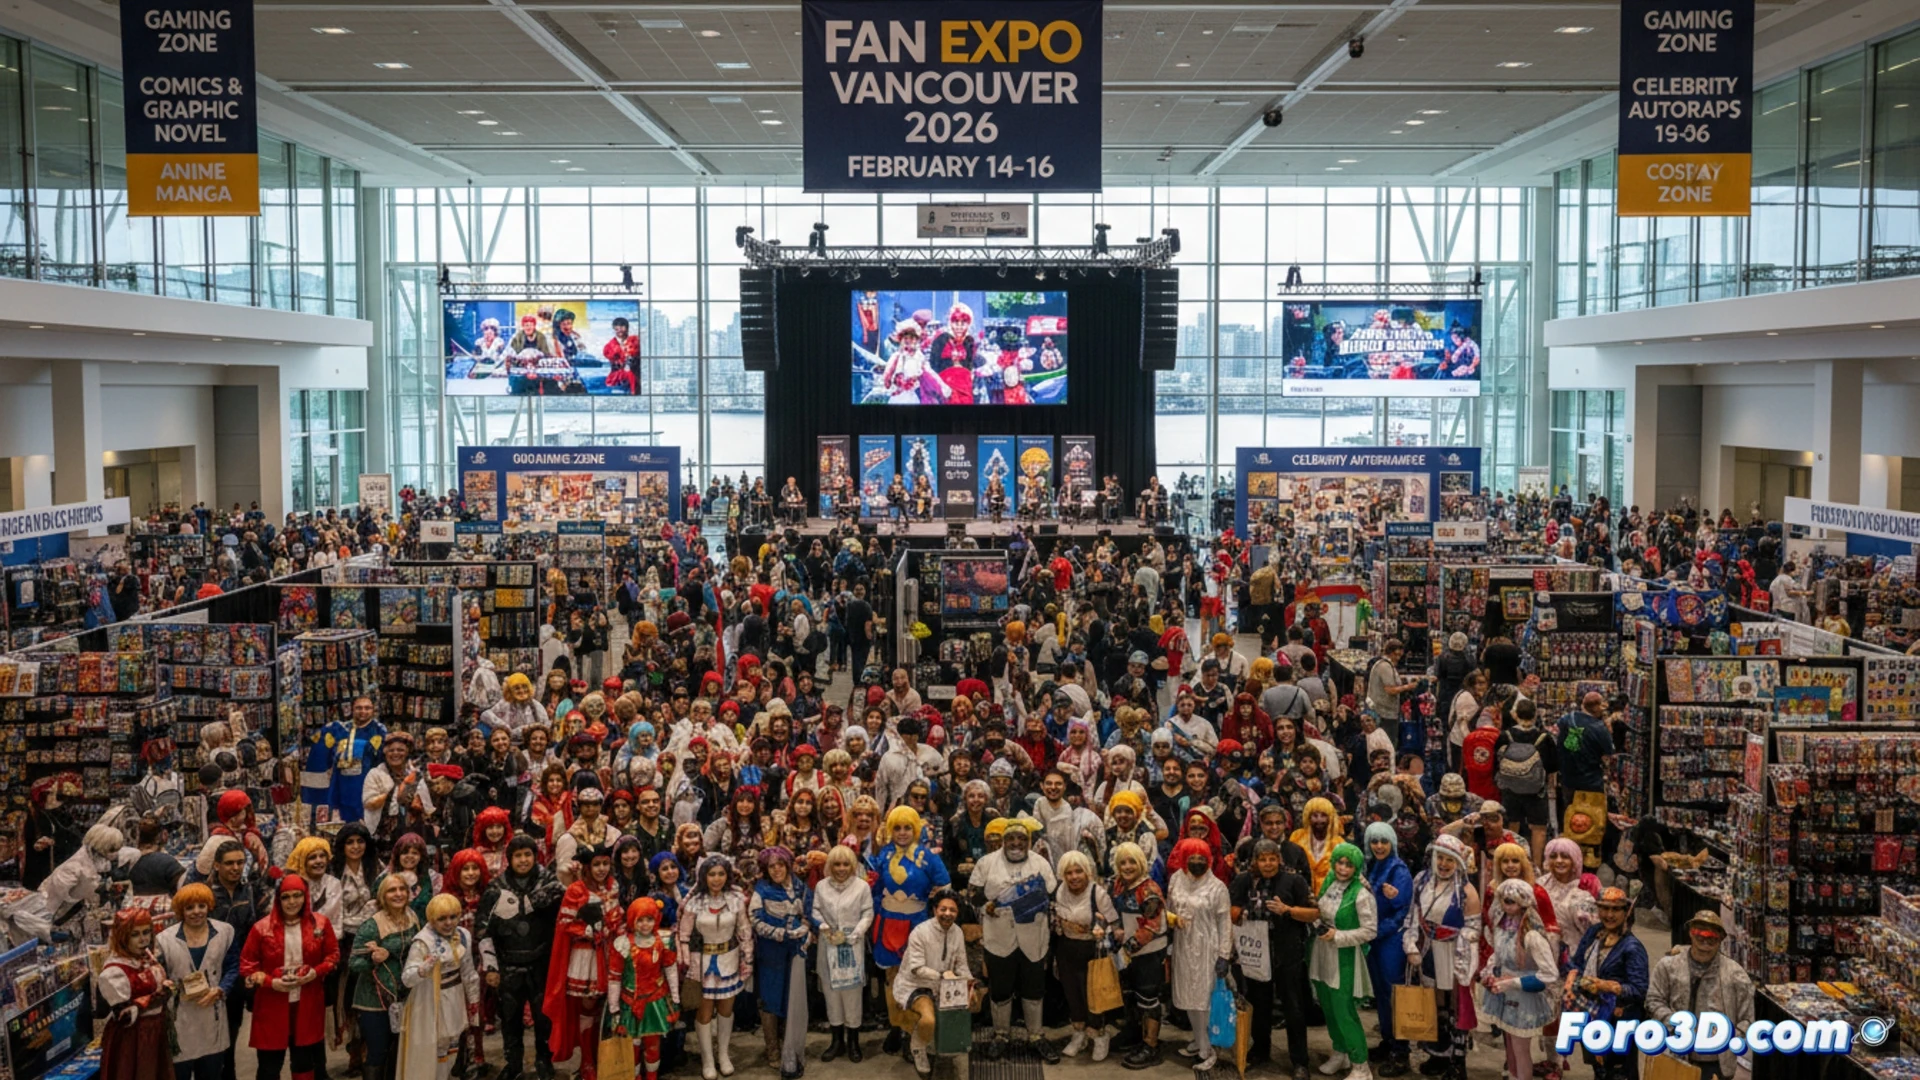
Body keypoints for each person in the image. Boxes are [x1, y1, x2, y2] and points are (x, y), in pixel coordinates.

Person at [971, 818, 1058, 1062]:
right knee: (1000, 989)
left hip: (1034, 936)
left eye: (1021, 839)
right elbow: (973, 893)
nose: (1016, 843)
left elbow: (1052, 891)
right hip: (998, 936)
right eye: (1011, 839)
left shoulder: (1040, 862)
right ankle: (1000, 1035)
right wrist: (987, 903)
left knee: (1034, 989)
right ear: (1003, 841)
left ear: (1028, 841)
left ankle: (1036, 1036)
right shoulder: (986, 863)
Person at [1230, 838, 1317, 1080]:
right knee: (1259, 1007)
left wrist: (1288, 911)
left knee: (1294, 1009)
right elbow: (1229, 909)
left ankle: (1300, 1062)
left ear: (1279, 858)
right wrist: (1240, 914)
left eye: (1272, 858)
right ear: (1255, 861)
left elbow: (1314, 913)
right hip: (1255, 956)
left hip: (1287, 954)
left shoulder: (1294, 880)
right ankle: (1260, 1051)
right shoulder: (1243, 880)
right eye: (1262, 859)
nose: (1268, 864)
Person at [239, 875, 341, 1080]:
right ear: (278, 899)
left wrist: (316, 971)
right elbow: (247, 965)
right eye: (286, 897)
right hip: (271, 1005)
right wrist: (270, 982)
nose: (292, 902)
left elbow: (333, 955)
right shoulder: (261, 928)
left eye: (297, 896)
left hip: (308, 1004)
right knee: (269, 1065)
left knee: (304, 1063)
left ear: (305, 897)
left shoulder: (320, 924)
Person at [477, 835, 562, 1080]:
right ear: (509, 858)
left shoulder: (550, 883)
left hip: (542, 963)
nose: (523, 860)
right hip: (507, 964)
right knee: (510, 1019)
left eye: (528, 854)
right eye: (518, 855)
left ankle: (544, 1061)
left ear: (535, 856)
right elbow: (483, 930)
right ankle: (513, 1063)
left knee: (543, 1018)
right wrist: (491, 966)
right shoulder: (496, 888)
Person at [869, 805, 950, 1055]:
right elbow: (873, 888)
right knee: (891, 979)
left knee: (914, 978)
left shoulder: (929, 857)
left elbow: (945, 886)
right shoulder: (882, 855)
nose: (902, 833)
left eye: (907, 828)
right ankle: (898, 1026)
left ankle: (913, 1032)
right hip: (887, 925)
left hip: (916, 926)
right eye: (897, 828)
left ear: (915, 829)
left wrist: (934, 899)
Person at [1402, 835, 1481, 1080]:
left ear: (1458, 862)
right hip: (1427, 951)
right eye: (1441, 858)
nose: (1444, 864)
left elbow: (1474, 929)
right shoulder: (1421, 881)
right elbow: (1413, 915)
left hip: (1453, 953)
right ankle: (1438, 1055)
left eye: (1450, 860)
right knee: (1435, 1005)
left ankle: (1458, 1061)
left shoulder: (1467, 892)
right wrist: (1411, 945)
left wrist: (1461, 955)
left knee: (1455, 1005)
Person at [1645, 910, 1753, 1080]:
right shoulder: (1668, 967)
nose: (1705, 943)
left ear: (1720, 939)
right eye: (1700, 935)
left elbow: (1748, 1019)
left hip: (1716, 1062)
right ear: (1691, 933)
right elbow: (1653, 999)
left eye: (1711, 938)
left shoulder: (1736, 976)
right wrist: (1677, 1025)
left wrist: (1726, 1036)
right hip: (1674, 1055)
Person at [1474, 879, 1559, 1080]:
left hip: (1523, 998)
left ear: (1524, 903)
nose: (1506, 905)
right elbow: (1498, 954)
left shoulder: (1531, 935)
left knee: (1521, 1050)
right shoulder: (1502, 926)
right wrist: (1488, 972)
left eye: (1512, 901)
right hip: (1503, 992)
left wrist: (1512, 982)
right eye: (1504, 900)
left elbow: (1549, 974)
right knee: (1510, 1046)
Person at [680, 855, 752, 1080]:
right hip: (701, 963)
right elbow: (683, 935)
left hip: (729, 960)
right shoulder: (693, 902)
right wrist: (687, 963)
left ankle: (723, 1054)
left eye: (721, 874)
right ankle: (707, 1059)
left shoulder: (736, 899)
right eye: (711, 874)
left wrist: (747, 959)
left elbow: (744, 930)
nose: (716, 879)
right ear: (703, 876)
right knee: (704, 1012)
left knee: (726, 1009)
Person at [158, 884, 240, 1080]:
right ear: (181, 910)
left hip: (213, 1016)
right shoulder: (164, 940)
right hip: (180, 1020)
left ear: (209, 906)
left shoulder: (225, 932)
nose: (196, 912)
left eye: (201, 906)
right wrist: (165, 985)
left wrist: (221, 989)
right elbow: (159, 975)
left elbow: (233, 966)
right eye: (189, 907)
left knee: (211, 1073)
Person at [1565, 888, 1648, 1080]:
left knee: (1619, 1072)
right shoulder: (1595, 932)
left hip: (1620, 1019)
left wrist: (1608, 986)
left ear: (1626, 912)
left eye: (1616, 910)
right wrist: (1573, 976)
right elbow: (1578, 961)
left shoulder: (1632, 948)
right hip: (1593, 1012)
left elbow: (1639, 990)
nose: (1609, 915)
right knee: (1599, 1069)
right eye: (1604, 908)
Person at [397, 893, 482, 1080]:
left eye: (453, 917)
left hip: (455, 997)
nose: (449, 923)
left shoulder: (464, 935)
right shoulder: (422, 942)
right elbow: (406, 978)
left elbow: (468, 972)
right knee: (434, 1047)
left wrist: (474, 1001)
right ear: (431, 919)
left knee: (452, 1042)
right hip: (429, 1001)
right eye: (442, 919)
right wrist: (422, 969)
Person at [1166, 837, 1232, 1073]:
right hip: (1183, 945)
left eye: (1201, 858)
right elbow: (1168, 909)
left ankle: (1208, 1049)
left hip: (1208, 949)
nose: (1196, 862)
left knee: (1204, 998)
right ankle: (1197, 1039)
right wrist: (1172, 920)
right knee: (1188, 995)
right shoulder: (1176, 879)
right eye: (1191, 858)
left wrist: (1224, 954)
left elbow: (1225, 923)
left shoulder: (1218, 887)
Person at [1312, 843, 1377, 1080]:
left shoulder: (1361, 894)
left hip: (1345, 956)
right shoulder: (1329, 883)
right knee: (1328, 1006)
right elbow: (1319, 911)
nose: (1342, 868)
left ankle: (1361, 1064)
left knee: (1344, 1010)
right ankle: (1340, 1052)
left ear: (1356, 867)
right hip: (1322, 953)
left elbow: (1370, 931)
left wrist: (1338, 936)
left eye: (1349, 865)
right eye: (1339, 862)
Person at [892, 890, 971, 1080]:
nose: (948, 913)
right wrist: (943, 975)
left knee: (968, 1006)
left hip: (945, 986)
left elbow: (961, 964)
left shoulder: (957, 932)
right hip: (915, 984)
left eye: (953, 910)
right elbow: (917, 968)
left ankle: (944, 1046)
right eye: (943, 909)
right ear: (935, 910)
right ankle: (918, 1048)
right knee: (928, 1020)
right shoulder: (920, 932)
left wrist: (969, 984)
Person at [748, 848, 811, 1080]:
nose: (777, 869)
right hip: (771, 952)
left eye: (781, 864)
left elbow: (809, 914)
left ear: (788, 864)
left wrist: (805, 930)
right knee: (770, 998)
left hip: (795, 951)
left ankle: (790, 1048)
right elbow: (754, 918)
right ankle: (772, 1049)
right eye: (771, 866)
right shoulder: (761, 889)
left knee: (791, 997)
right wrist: (778, 933)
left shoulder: (801, 888)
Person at [1110, 841, 1170, 1070]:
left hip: (1149, 951)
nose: (1127, 866)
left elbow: (1153, 925)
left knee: (1148, 996)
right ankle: (1134, 1032)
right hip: (1130, 950)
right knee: (1131, 993)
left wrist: (1128, 948)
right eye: (1122, 862)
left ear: (1141, 863)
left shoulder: (1149, 889)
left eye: (1132, 861)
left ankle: (1151, 1045)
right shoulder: (1118, 885)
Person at [811, 845, 873, 1063]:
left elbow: (868, 912)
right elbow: (815, 909)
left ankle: (853, 1041)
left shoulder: (862, 887)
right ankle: (836, 1041)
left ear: (853, 866)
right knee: (831, 994)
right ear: (830, 865)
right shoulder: (821, 886)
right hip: (828, 945)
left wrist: (857, 933)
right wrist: (822, 926)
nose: (841, 868)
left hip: (851, 946)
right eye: (836, 864)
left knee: (852, 996)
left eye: (846, 864)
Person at [607, 897, 680, 1080]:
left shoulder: (663, 940)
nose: (645, 924)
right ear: (632, 920)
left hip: (654, 1003)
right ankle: (634, 1076)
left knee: (653, 1043)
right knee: (633, 1045)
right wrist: (613, 1006)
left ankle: (652, 1076)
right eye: (640, 920)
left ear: (656, 919)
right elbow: (614, 977)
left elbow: (670, 969)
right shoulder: (622, 944)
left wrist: (676, 997)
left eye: (649, 919)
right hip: (629, 1002)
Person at [100, 908, 175, 1080]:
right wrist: (160, 995)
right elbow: (124, 1014)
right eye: (135, 934)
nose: (143, 939)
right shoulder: (114, 971)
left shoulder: (146, 956)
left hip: (155, 1030)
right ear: (123, 937)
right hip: (133, 1038)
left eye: (146, 932)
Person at [1364, 823, 1414, 1077]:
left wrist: (1377, 930)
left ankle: (1401, 1052)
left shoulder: (1399, 869)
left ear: (1392, 842)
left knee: (1395, 995)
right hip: (1374, 939)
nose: (1379, 846)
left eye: (1384, 841)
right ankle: (1388, 1040)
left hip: (1391, 939)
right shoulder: (1371, 865)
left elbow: (1403, 911)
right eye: (1374, 841)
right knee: (1381, 994)